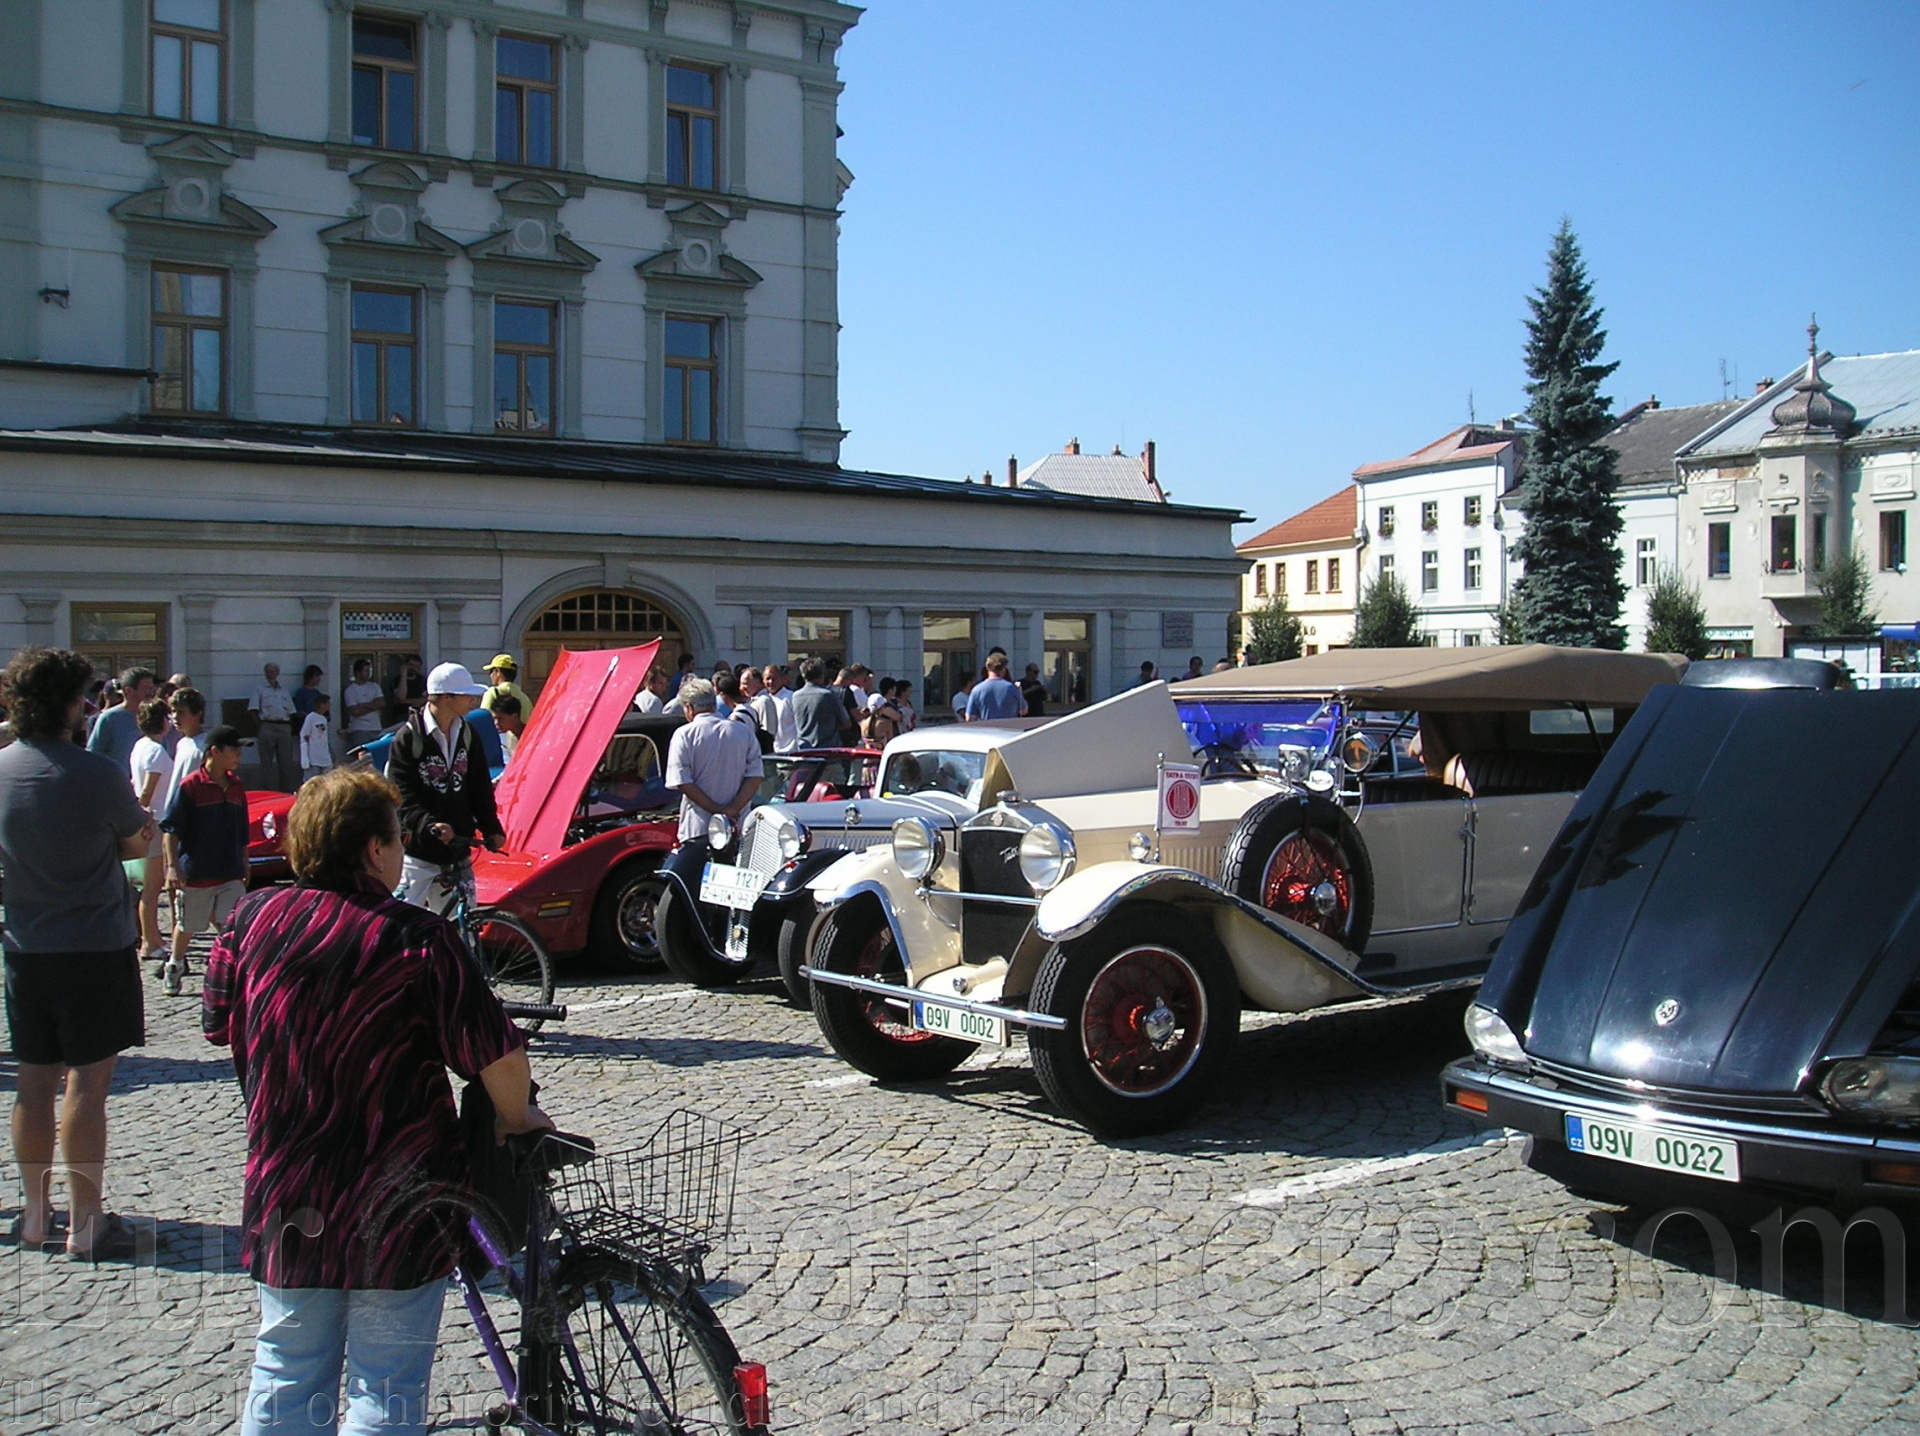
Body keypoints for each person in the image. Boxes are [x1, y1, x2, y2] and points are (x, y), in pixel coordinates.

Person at [204, 767, 548, 1436]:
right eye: (396, 838)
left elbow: (217, 1020)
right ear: (373, 848)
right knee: (386, 1383)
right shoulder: (416, 937)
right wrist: (517, 1117)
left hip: (289, 1183)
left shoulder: (249, 921)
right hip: (398, 1197)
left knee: (285, 1368)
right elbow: (498, 1056)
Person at [0, 646, 154, 1259]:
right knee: (86, 1085)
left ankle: (36, 1215)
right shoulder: (97, 774)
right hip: (94, 945)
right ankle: (86, 1223)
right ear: (71, 705)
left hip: (26, 945)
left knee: (33, 1082)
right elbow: (135, 844)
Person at [388, 663, 505, 914]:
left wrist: (491, 827)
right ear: (445, 698)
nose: (473, 701)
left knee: (462, 927)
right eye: (466, 695)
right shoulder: (408, 738)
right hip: (417, 854)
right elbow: (401, 795)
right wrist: (429, 825)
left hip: (457, 851)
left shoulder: (468, 734)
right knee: (399, 923)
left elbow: (480, 787)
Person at [161, 726, 249, 986]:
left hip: (230, 870)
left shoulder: (237, 786)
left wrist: (245, 862)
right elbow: (171, 829)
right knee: (188, 924)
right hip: (197, 872)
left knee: (232, 924)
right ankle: (175, 964)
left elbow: (242, 830)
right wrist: (172, 867)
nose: (239, 755)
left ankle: (236, 973)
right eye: (234, 749)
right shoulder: (190, 786)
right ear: (215, 752)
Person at [664, 680, 763, 845]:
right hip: (739, 825)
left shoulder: (684, 734)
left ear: (689, 708)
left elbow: (682, 781)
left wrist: (717, 811)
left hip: (698, 828)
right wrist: (733, 809)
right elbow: (755, 776)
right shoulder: (743, 732)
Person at [129, 699, 175, 964]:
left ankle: (153, 937)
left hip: (150, 820)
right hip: (154, 822)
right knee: (152, 887)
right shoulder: (156, 752)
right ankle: (150, 940)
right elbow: (146, 791)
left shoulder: (140, 746)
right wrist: (143, 815)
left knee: (150, 886)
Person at [85, 665, 155, 773]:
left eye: (152, 688)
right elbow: (93, 756)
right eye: (146, 688)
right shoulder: (109, 719)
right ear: (128, 691)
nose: (151, 693)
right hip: (118, 781)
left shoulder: (155, 717)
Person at [249, 663, 300, 793]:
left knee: (286, 763)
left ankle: (285, 792)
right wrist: (261, 727)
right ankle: (268, 792)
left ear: (278, 673)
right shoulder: (259, 689)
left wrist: (289, 727)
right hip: (267, 725)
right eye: (268, 672)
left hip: (284, 726)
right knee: (267, 764)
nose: (270, 674)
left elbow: (291, 711)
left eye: (273, 671)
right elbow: (253, 709)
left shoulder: (284, 690)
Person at [159, 687, 207, 820]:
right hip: (176, 813)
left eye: (181, 712)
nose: (175, 717)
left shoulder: (205, 746)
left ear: (198, 713)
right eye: (173, 711)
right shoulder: (182, 743)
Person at [791, 659, 844, 750]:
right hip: (828, 749)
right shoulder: (828, 695)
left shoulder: (795, 696)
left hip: (804, 748)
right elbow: (846, 722)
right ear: (821, 676)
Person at [966, 654, 1027, 722]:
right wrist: (1019, 691)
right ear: (1004, 669)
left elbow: (969, 718)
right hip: (1009, 728)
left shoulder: (977, 690)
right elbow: (1023, 711)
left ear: (987, 668)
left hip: (987, 728)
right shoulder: (1012, 688)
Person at [753, 664, 798, 753]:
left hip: (790, 751)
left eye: (774, 679)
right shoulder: (761, 700)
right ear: (763, 680)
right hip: (770, 751)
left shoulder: (791, 697)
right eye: (768, 679)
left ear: (781, 679)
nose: (771, 682)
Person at [480, 655, 535, 725]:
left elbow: (483, 720)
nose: (490, 675)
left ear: (498, 672)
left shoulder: (492, 693)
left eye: (491, 671)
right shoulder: (525, 699)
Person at [342, 657, 385, 745]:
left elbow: (382, 703)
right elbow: (355, 711)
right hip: (359, 729)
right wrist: (373, 705)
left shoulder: (374, 686)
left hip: (376, 728)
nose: (368, 673)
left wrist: (363, 705)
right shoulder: (350, 690)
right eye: (366, 671)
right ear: (358, 673)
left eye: (369, 670)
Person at [298, 692, 333, 785]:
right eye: (328, 703)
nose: (330, 705)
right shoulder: (311, 717)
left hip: (324, 756)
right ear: (322, 704)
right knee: (312, 782)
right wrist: (305, 757)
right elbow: (304, 735)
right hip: (313, 757)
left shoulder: (323, 719)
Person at [387, 653, 427, 725]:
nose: (413, 668)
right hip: (401, 715)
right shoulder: (396, 680)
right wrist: (403, 675)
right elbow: (401, 697)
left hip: (419, 714)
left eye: (416, 666)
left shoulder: (422, 680)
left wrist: (406, 701)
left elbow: (426, 699)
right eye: (411, 665)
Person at [866, 678, 905, 746]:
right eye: (894, 688)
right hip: (887, 738)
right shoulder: (883, 705)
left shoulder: (894, 702)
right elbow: (897, 717)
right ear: (890, 690)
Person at [491, 693, 525, 760]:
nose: (496, 723)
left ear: (515, 717)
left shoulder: (532, 735)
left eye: (500, 718)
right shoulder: (506, 737)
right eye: (494, 719)